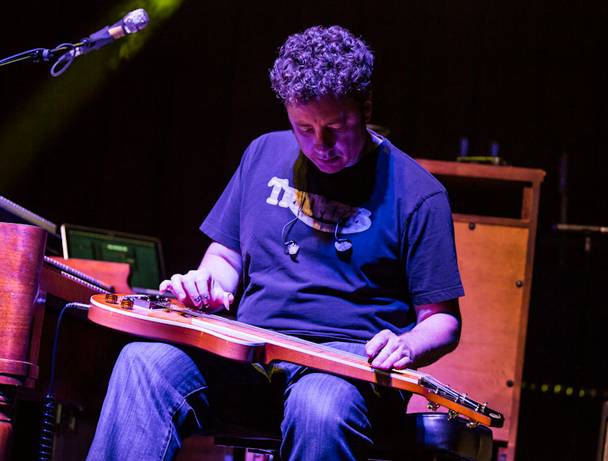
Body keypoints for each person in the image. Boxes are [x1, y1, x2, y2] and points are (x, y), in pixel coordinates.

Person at [87, 25, 464, 461]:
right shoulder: (263, 153)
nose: (320, 145)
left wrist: (408, 345)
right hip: (248, 353)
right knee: (143, 363)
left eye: (336, 127)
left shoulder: (419, 194)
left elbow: (443, 322)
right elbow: (225, 257)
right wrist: (205, 284)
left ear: (365, 107)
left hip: (346, 367)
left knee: (319, 406)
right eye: (304, 128)